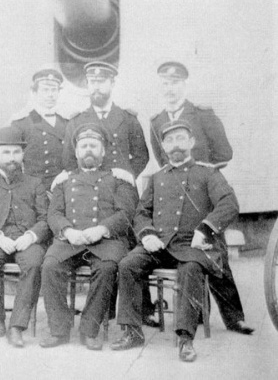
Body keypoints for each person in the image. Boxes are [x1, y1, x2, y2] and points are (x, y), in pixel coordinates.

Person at [111, 120, 241, 362]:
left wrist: (206, 229)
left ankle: (185, 339)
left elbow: (229, 203)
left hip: (192, 245)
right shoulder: (157, 177)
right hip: (160, 244)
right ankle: (132, 332)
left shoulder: (208, 173)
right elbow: (141, 212)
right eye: (169, 140)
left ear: (191, 142)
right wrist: (147, 234)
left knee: (190, 269)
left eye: (180, 138)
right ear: (163, 147)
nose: (175, 144)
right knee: (127, 264)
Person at [149, 61, 251, 335]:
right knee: (188, 256)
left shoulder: (203, 114)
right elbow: (162, 158)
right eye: (165, 84)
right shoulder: (156, 121)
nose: (169, 89)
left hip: (204, 189)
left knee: (216, 253)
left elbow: (224, 152)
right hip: (177, 193)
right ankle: (196, 314)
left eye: (175, 83)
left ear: (185, 84)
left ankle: (234, 318)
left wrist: (203, 171)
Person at [40, 123, 138, 350]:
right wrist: (67, 231)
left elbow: (126, 213)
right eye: (83, 146)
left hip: (106, 240)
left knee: (106, 268)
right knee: (50, 266)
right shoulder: (63, 180)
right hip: (70, 240)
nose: (88, 150)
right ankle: (59, 330)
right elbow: (54, 213)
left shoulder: (118, 179)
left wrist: (101, 229)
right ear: (76, 152)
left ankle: (89, 330)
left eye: (94, 145)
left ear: (103, 151)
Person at [0, 126, 49, 347]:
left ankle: (17, 326)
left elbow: (45, 219)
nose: (12, 157)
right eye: (6, 152)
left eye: (16, 152)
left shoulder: (35, 184)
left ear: (23, 154)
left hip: (27, 241)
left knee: (34, 265)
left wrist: (31, 236)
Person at [61, 62, 149, 179]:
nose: (96, 87)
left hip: (120, 184)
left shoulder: (128, 119)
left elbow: (142, 156)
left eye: (101, 82)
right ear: (87, 84)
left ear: (112, 83)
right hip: (88, 185)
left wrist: (127, 175)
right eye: (92, 82)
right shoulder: (76, 122)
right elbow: (68, 160)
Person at [10, 69, 69, 190]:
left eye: (54, 90)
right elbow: (12, 163)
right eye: (45, 90)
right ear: (34, 92)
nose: (50, 95)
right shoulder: (22, 124)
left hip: (63, 186)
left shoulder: (66, 123)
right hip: (33, 189)